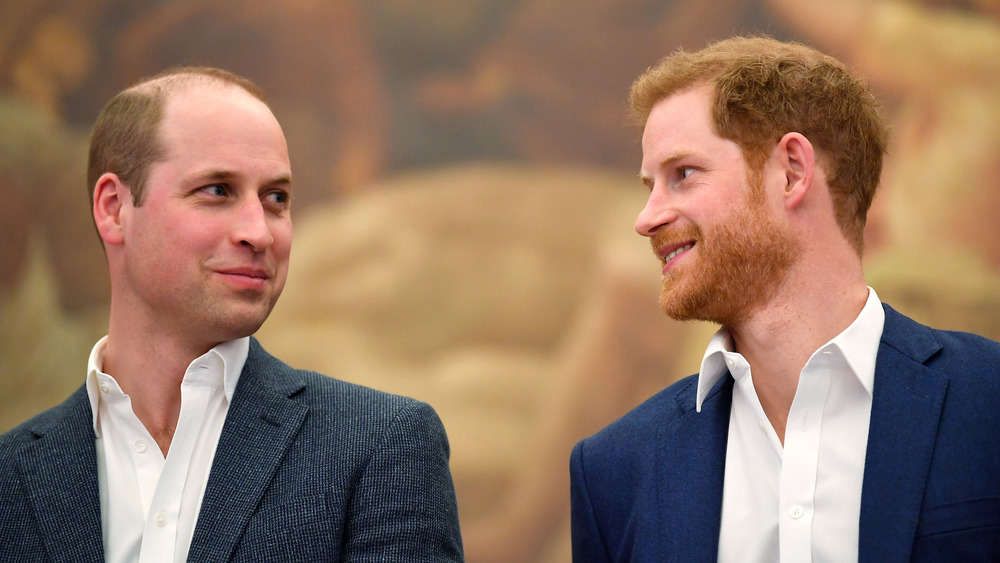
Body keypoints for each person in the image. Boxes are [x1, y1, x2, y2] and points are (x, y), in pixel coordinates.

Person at [0, 67, 464, 562]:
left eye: (276, 199)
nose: (260, 233)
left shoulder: (381, 448)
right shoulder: (11, 477)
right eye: (217, 190)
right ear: (114, 208)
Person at [569, 36, 1000, 563]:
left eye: (682, 174)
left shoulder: (989, 400)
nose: (647, 218)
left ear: (792, 171)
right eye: (648, 185)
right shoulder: (615, 468)